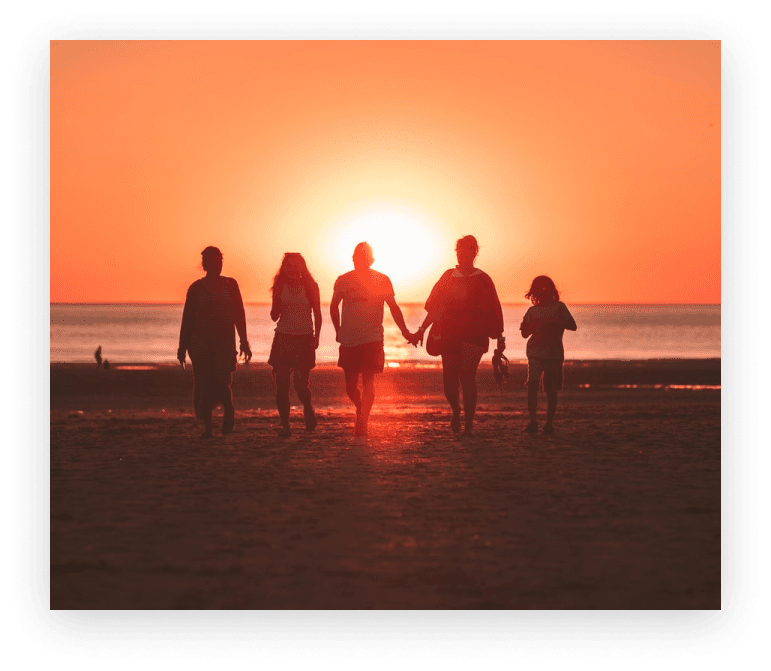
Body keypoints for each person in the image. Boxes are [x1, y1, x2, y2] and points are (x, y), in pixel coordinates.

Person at [412, 235, 504, 436]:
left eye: (469, 249)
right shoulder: (448, 277)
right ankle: (456, 410)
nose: (464, 253)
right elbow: (435, 308)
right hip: (449, 333)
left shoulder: (483, 279)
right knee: (449, 381)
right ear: (457, 251)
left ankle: (469, 423)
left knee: (467, 377)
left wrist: (499, 337)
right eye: (461, 249)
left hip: (475, 335)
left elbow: (494, 309)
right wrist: (422, 329)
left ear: (475, 252)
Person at [330, 242, 415, 441]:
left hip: (372, 338)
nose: (361, 259)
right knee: (350, 387)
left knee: (368, 381)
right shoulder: (343, 280)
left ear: (372, 259)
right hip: (349, 340)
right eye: (357, 256)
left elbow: (393, 307)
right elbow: (333, 306)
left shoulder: (382, 279)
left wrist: (404, 331)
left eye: (365, 256)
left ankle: (363, 421)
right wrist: (338, 330)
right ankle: (360, 408)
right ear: (353, 258)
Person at [177, 246, 252, 438]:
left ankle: (228, 408)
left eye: (220, 262)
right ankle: (207, 427)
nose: (217, 266)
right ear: (205, 265)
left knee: (221, 382)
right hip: (200, 341)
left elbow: (239, 314)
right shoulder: (196, 288)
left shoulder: (230, 285)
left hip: (225, 342)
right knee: (203, 383)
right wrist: (182, 347)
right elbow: (187, 319)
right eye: (213, 262)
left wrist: (244, 341)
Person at [268, 253, 322, 437]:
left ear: (302, 267)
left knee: (300, 385)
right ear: (284, 268)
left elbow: (317, 313)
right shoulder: (279, 286)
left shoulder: (311, 286)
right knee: (282, 385)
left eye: (296, 265)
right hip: (283, 338)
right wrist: (277, 302)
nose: (292, 269)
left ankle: (307, 408)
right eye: (289, 265)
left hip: (304, 339)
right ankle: (285, 426)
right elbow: (274, 316)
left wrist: (317, 337)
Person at [519, 275, 577, 435]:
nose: (543, 291)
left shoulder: (559, 308)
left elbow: (573, 326)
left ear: (552, 290)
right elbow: (524, 333)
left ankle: (549, 423)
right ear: (534, 292)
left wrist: (556, 322)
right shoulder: (532, 311)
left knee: (551, 390)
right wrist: (535, 326)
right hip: (535, 352)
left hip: (553, 353)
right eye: (539, 288)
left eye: (546, 287)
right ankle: (533, 421)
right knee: (532, 385)